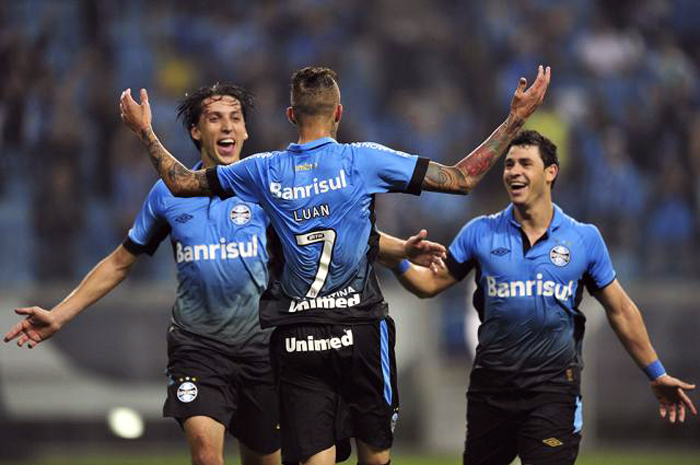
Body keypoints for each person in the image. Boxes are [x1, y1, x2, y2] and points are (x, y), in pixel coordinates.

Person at [118, 65, 551, 465]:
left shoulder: (262, 170)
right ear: (339, 112)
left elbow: (179, 181)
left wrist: (145, 132)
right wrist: (515, 118)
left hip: (297, 337)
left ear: (291, 114)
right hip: (361, 329)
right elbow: (462, 177)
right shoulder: (363, 159)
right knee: (376, 458)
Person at [4, 83, 446, 465]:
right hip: (199, 350)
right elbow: (122, 260)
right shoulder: (167, 197)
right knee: (206, 452)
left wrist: (399, 252)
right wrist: (60, 315)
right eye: (215, 118)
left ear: (247, 130)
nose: (228, 127)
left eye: (235, 117)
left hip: (265, 351)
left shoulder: (271, 187)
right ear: (197, 131)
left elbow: (335, 235)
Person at [385, 129, 697, 465]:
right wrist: (391, 253)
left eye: (524, 163)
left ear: (551, 172)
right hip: (491, 390)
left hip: (553, 390)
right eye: (508, 164)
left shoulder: (583, 239)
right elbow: (428, 285)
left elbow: (620, 309)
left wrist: (656, 372)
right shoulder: (480, 232)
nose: (513, 171)